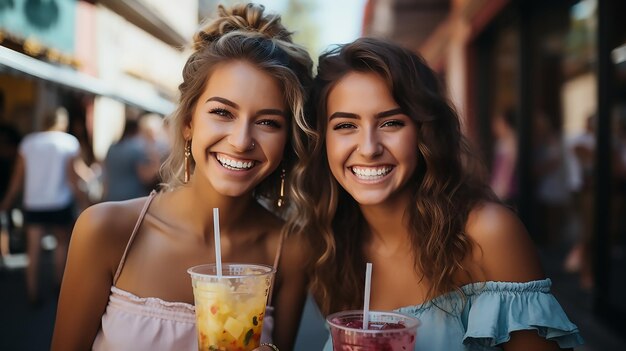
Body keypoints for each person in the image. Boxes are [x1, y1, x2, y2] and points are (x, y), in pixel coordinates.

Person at [291, 38, 583, 350]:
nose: (369, 148)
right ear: (322, 142)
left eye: (391, 122)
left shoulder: (488, 235)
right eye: (346, 125)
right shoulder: (327, 252)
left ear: (424, 131)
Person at [51, 3, 312, 351]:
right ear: (189, 123)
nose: (241, 140)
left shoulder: (290, 250)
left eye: (268, 122)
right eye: (222, 112)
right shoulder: (106, 230)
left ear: (287, 140)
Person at [0, 107, 91, 303]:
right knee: (62, 243)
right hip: (60, 202)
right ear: (62, 123)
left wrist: (7, 201)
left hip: (34, 203)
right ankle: (58, 286)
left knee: (33, 249)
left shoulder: (28, 142)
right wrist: (84, 201)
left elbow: (17, 178)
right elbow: (72, 177)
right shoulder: (68, 142)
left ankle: (32, 293)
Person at [102, 117, 159, 201]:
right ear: (137, 130)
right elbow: (145, 177)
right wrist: (156, 163)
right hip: (131, 198)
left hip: (112, 196)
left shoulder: (112, 147)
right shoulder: (136, 148)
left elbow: (105, 171)